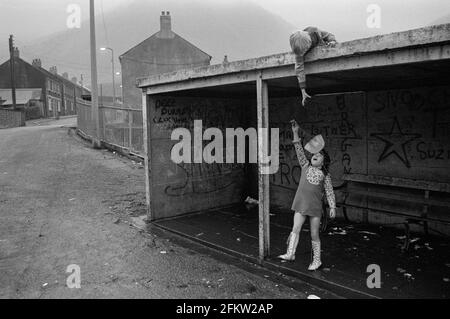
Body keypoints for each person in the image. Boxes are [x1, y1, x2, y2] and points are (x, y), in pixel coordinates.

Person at [278, 120, 336, 271]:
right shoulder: (305, 165)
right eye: (314, 154)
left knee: (314, 234)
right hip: (301, 204)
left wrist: (333, 207)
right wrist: (296, 132)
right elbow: (298, 149)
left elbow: (329, 192)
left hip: (315, 207)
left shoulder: (325, 175)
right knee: (295, 228)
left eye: (319, 154)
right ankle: (290, 253)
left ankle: (317, 261)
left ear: (324, 161)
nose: (315, 155)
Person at [290, 27, 337, 106]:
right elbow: (299, 69)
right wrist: (303, 91)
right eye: (300, 53)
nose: (302, 54)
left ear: (309, 44)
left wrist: (332, 41)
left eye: (304, 51)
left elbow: (329, 35)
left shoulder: (315, 32)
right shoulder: (299, 51)